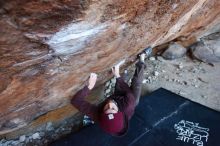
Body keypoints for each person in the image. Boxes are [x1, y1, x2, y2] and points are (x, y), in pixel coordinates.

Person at [71, 53, 146, 136]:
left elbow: (76, 101)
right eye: (113, 109)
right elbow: (128, 92)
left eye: (106, 109)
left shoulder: (98, 116)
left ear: (102, 114)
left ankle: (124, 72)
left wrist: (89, 87)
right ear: (119, 111)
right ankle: (141, 61)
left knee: (118, 88)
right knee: (137, 83)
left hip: (118, 100)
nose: (109, 104)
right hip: (130, 99)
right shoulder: (129, 104)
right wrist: (117, 76)